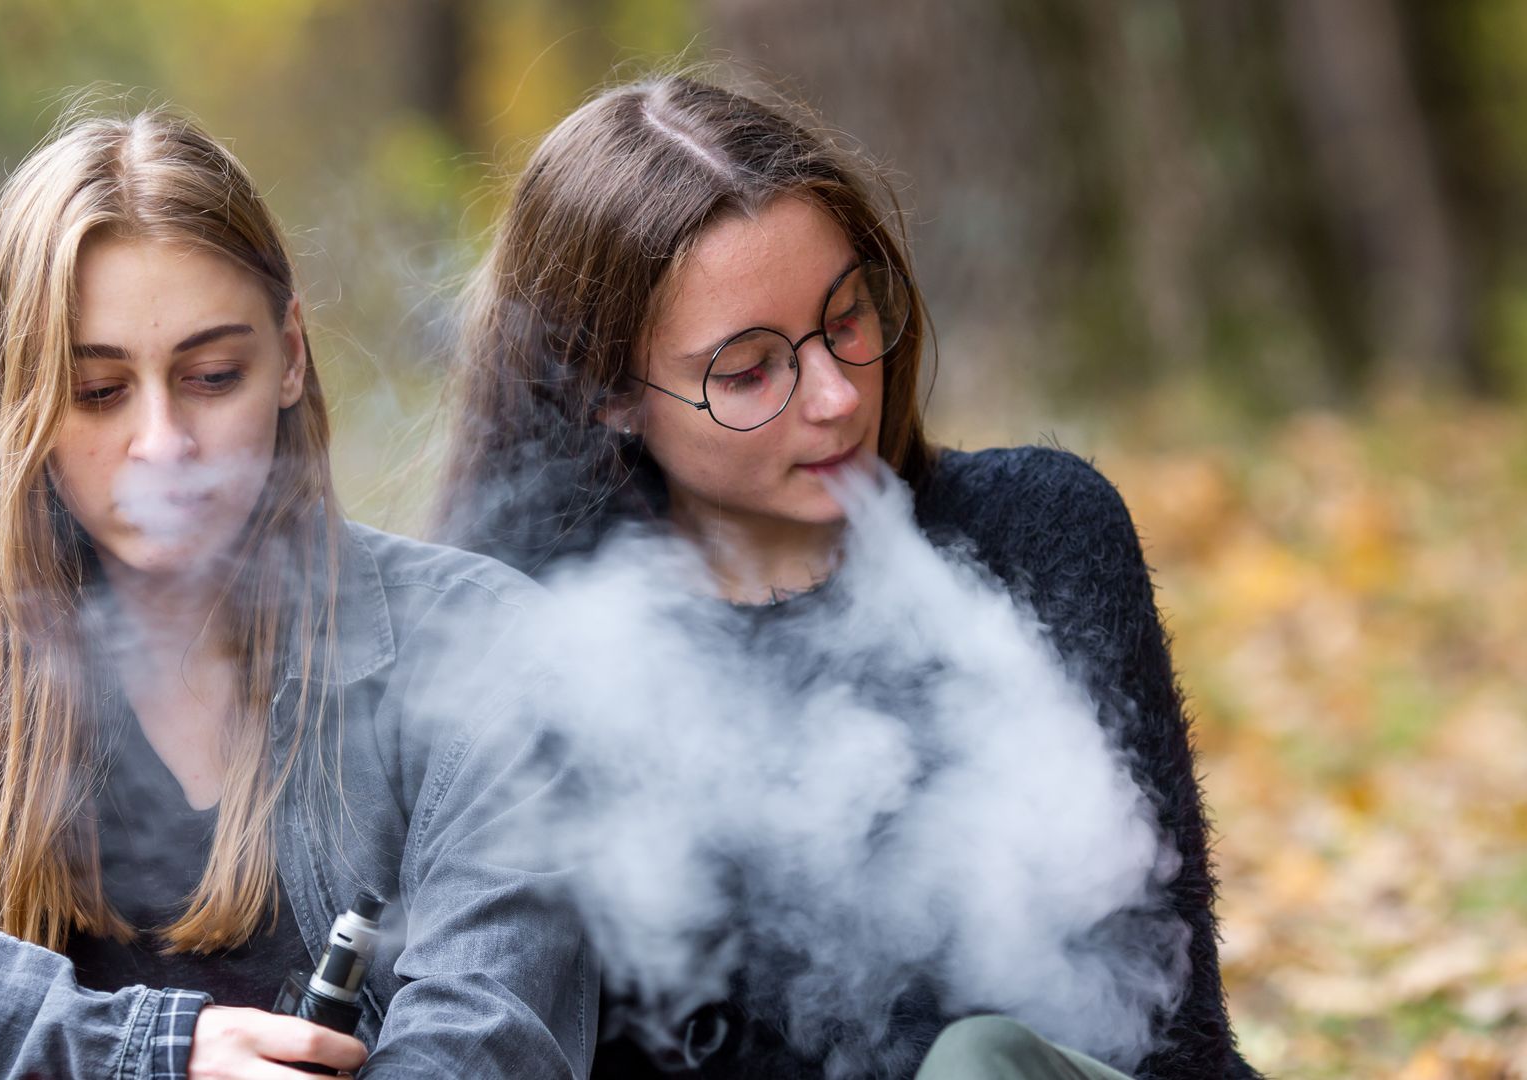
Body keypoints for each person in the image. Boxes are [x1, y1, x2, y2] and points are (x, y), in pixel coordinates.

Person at [0, 107, 594, 1080]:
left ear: (291, 357)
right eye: (98, 392)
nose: (164, 445)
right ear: (27, 408)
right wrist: (149, 1053)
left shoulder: (482, 656)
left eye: (214, 376)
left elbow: (487, 1051)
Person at [435, 75, 1259, 1080]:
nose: (833, 396)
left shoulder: (1039, 533)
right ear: (605, 393)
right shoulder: (523, 656)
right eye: (748, 372)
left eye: (847, 321)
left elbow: (1176, 1024)